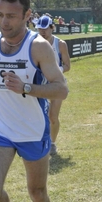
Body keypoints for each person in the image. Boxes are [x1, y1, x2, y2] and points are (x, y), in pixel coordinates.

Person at [0, 0, 68, 201]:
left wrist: (27, 88)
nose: (4, 22)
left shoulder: (38, 47)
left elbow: (62, 89)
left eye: (11, 16)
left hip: (32, 130)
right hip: (1, 129)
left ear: (27, 16)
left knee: (37, 192)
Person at [36, 15, 71, 155]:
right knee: (38, 115)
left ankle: (52, 143)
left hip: (57, 84)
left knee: (53, 116)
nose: (42, 32)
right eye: (40, 29)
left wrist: (55, 71)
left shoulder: (60, 44)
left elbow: (67, 65)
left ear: (52, 28)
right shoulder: (35, 43)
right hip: (40, 85)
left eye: (45, 29)